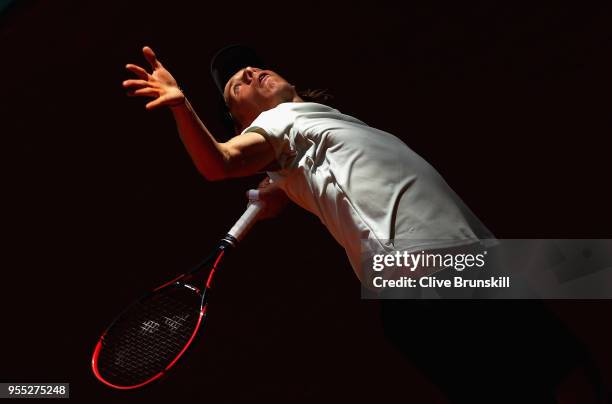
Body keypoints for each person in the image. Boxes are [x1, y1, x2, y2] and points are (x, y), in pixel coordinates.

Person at [122, 45, 603, 403]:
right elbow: (221, 163)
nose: (249, 71)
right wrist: (181, 104)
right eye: (236, 86)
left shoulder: (319, 126)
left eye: (251, 66)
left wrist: (281, 190)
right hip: (426, 276)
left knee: (573, 376)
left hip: (479, 264)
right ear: (240, 118)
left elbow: (301, 175)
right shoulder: (277, 125)